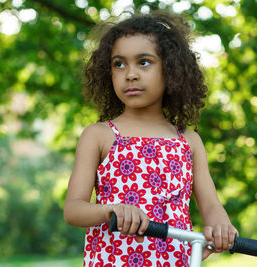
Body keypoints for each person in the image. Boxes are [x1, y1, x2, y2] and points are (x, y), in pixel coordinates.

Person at [64, 10, 239, 266]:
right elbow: (73, 210)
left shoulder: (188, 141)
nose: (130, 74)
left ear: (170, 69)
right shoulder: (99, 135)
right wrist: (110, 210)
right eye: (119, 64)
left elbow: (211, 205)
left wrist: (221, 226)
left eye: (144, 62)